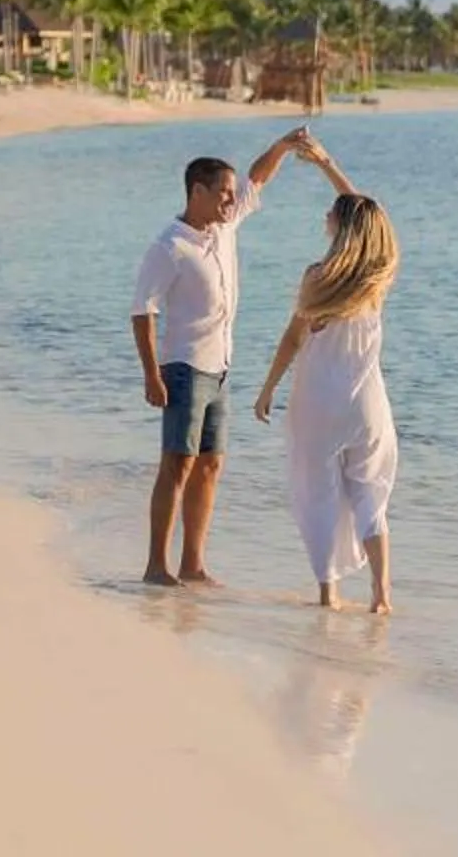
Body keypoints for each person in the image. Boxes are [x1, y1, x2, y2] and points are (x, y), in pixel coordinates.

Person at [129, 127, 311, 586]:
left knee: (211, 464)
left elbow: (257, 181)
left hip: (221, 367)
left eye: (232, 195)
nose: (232, 201)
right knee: (177, 463)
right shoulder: (169, 245)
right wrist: (152, 374)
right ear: (198, 191)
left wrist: (284, 147)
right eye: (224, 194)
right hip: (183, 368)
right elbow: (142, 311)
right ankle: (156, 565)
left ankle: (193, 564)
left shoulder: (224, 226)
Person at [252, 139, 401, 613]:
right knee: (369, 497)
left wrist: (269, 387)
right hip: (366, 404)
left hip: (318, 401)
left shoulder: (316, 278)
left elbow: (293, 339)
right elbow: (371, 219)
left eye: (331, 215)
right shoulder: (377, 278)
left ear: (338, 225)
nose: (325, 217)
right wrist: (328, 166)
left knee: (317, 492)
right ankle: (381, 594)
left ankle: (328, 595)